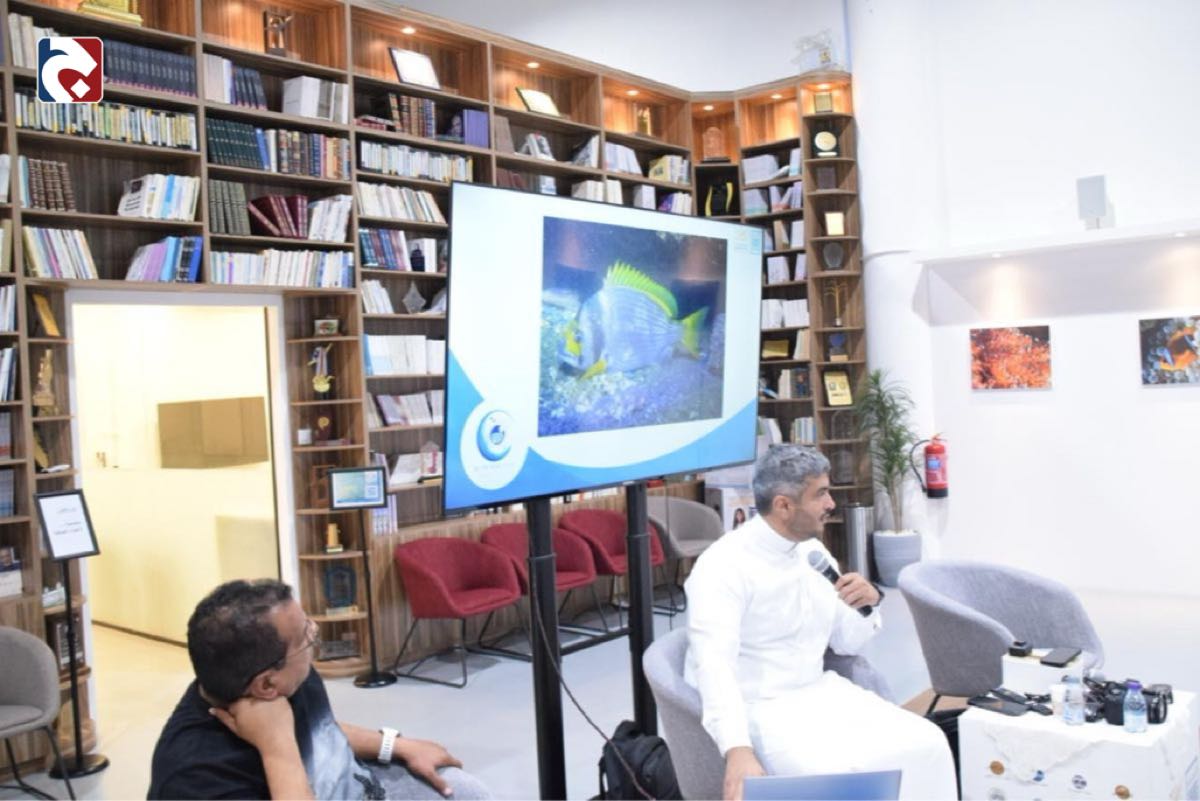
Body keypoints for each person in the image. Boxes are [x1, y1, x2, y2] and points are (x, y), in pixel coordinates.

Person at [684, 445, 956, 801]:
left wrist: (868, 605)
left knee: (928, 742)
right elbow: (713, 667)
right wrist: (737, 749)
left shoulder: (813, 553)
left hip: (820, 692)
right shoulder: (722, 567)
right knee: (840, 776)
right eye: (821, 494)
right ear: (784, 505)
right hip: (759, 708)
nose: (831, 504)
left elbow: (846, 642)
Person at [148, 579, 491, 800]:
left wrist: (395, 745)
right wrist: (276, 747)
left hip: (363, 787)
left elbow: (320, 729)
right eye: (306, 636)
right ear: (267, 684)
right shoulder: (193, 778)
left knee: (467, 792)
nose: (315, 634)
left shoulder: (283, 676)